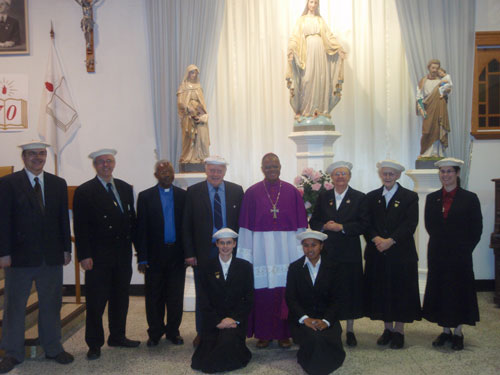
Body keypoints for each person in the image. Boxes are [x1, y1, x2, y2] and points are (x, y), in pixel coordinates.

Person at [0, 141, 74, 374]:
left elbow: (63, 218)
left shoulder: (57, 183)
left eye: (41, 154)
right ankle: (12, 352)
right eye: (32, 154)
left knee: (52, 304)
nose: (38, 158)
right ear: (23, 157)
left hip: (51, 257)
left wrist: (66, 249)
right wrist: (3, 253)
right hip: (19, 258)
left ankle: (52, 348)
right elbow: (2, 220)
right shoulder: (8, 183)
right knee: (15, 307)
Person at [73, 148, 140, 360]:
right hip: (98, 256)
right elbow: (81, 227)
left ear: (114, 163)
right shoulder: (85, 191)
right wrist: (84, 255)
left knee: (121, 299)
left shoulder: (124, 188)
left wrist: (141, 251)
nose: (106, 165)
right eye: (101, 162)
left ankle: (117, 336)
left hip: (122, 254)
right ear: (95, 165)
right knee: (96, 302)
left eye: (109, 161)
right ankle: (94, 343)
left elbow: (132, 221)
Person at [237, 153, 308, 349]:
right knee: (263, 292)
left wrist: (301, 254)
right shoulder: (252, 193)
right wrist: (244, 256)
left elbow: (301, 227)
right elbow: (245, 228)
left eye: (275, 166)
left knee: (286, 290)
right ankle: (264, 333)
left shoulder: (292, 192)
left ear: (280, 167)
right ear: (262, 168)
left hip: (286, 250)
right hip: (261, 249)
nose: (271, 170)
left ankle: (285, 333)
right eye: (268, 167)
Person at [183, 155, 244, 346]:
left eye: (219, 170)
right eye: (212, 170)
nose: (215, 173)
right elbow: (186, 225)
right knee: (204, 293)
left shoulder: (236, 190)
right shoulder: (193, 191)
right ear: (206, 170)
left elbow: (242, 223)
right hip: (205, 251)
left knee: (231, 291)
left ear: (224, 171)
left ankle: (231, 328)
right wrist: (189, 253)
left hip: (230, 248)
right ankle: (203, 331)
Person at [422, 158, 482, 350]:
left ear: (457, 174)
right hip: (438, 252)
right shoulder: (432, 198)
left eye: (449, 172)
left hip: (460, 254)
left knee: (458, 291)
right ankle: (445, 331)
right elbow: (430, 225)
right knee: (441, 291)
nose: (445, 175)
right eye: (442, 172)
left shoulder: (470, 198)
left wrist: (464, 248)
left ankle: (458, 332)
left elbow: (476, 228)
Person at [309, 160, 368, 347]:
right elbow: (315, 220)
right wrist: (324, 226)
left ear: (349, 176)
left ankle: (350, 330)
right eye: (337, 174)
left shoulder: (359, 197)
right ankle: (331, 326)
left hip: (349, 251)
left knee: (350, 290)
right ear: (332, 178)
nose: (340, 177)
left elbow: (364, 224)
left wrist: (342, 227)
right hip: (328, 252)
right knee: (330, 289)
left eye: (343, 174)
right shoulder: (324, 197)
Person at [363, 160, 422, 349]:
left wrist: (390, 241)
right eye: (384, 174)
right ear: (380, 174)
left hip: (401, 254)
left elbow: (410, 224)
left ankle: (399, 331)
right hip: (377, 253)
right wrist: (376, 239)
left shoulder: (410, 197)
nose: (387, 177)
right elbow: (367, 223)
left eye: (391, 174)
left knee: (400, 292)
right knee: (382, 292)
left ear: (397, 176)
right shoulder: (372, 197)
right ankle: (387, 329)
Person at [136, 160, 186, 347]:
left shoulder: (183, 196)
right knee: (154, 296)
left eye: (169, 171)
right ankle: (155, 332)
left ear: (173, 174)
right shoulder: (145, 197)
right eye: (162, 172)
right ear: (156, 175)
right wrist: (142, 257)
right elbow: (140, 229)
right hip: (154, 255)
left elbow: (187, 228)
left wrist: (189, 253)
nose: (166, 175)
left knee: (175, 296)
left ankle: (173, 331)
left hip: (177, 254)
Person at [191, 228, 254, 374]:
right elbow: (203, 299)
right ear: (217, 245)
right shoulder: (205, 267)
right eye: (222, 243)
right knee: (209, 347)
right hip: (214, 321)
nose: (225, 246)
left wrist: (234, 319)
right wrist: (218, 321)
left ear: (234, 244)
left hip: (235, 321)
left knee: (226, 341)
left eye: (229, 243)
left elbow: (249, 298)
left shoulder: (245, 267)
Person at [286, 229, 346, 375]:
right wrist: (305, 319)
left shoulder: (334, 267)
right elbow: (290, 298)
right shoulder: (295, 268)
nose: (310, 249)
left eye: (314, 245)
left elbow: (338, 298)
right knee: (314, 338)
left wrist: (326, 320)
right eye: (306, 245)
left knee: (325, 338)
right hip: (303, 319)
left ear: (321, 246)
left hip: (327, 317)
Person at [286, 0, 345, 121]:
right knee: (307, 79)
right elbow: (294, 37)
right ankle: (305, 111)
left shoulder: (320, 20)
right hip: (307, 51)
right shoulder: (301, 20)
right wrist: (291, 49)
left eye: (315, 3)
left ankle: (319, 110)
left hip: (320, 51)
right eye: (311, 2)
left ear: (318, 5)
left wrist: (338, 48)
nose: (313, 5)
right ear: (307, 3)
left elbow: (329, 36)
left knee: (320, 79)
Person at [416, 59, 451, 157]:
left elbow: (445, 94)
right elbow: (419, 96)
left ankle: (436, 153)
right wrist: (421, 109)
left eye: (437, 68)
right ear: (429, 68)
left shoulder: (441, 81)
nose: (435, 70)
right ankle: (424, 153)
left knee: (437, 130)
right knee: (427, 131)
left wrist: (446, 92)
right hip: (427, 108)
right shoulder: (423, 81)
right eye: (433, 68)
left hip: (438, 109)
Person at [177, 64, 210, 164]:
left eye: (195, 72)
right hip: (187, 116)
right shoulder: (183, 86)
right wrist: (187, 108)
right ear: (188, 74)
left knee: (200, 136)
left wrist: (200, 111)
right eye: (192, 72)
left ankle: (198, 157)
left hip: (197, 115)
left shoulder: (198, 87)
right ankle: (188, 156)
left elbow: (202, 103)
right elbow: (180, 102)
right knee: (188, 137)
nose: (194, 75)